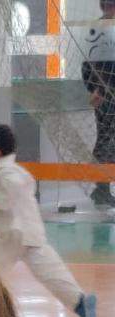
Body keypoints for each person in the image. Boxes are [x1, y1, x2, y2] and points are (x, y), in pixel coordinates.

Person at [0, 124, 96, 317]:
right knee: (50, 271)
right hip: (30, 232)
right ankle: (79, 302)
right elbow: (8, 192)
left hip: (13, 234)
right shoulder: (12, 170)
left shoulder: (3, 170)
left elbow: (8, 193)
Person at [82, 0, 115, 209]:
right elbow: (91, 64)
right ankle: (101, 188)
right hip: (106, 96)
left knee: (107, 138)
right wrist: (96, 90)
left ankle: (102, 188)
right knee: (106, 138)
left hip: (106, 92)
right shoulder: (100, 29)